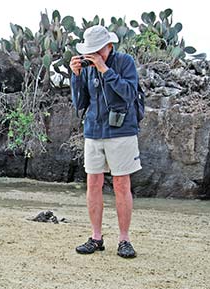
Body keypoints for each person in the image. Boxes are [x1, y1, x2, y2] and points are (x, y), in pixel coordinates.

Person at [69, 25, 141, 258]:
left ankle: (124, 239)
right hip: (94, 130)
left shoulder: (125, 62)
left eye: (97, 51)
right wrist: (76, 77)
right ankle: (96, 237)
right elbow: (80, 103)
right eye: (90, 52)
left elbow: (129, 93)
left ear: (109, 46)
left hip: (122, 131)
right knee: (93, 183)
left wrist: (105, 69)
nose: (92, 56)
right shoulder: (87, 68)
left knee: (121, 184)